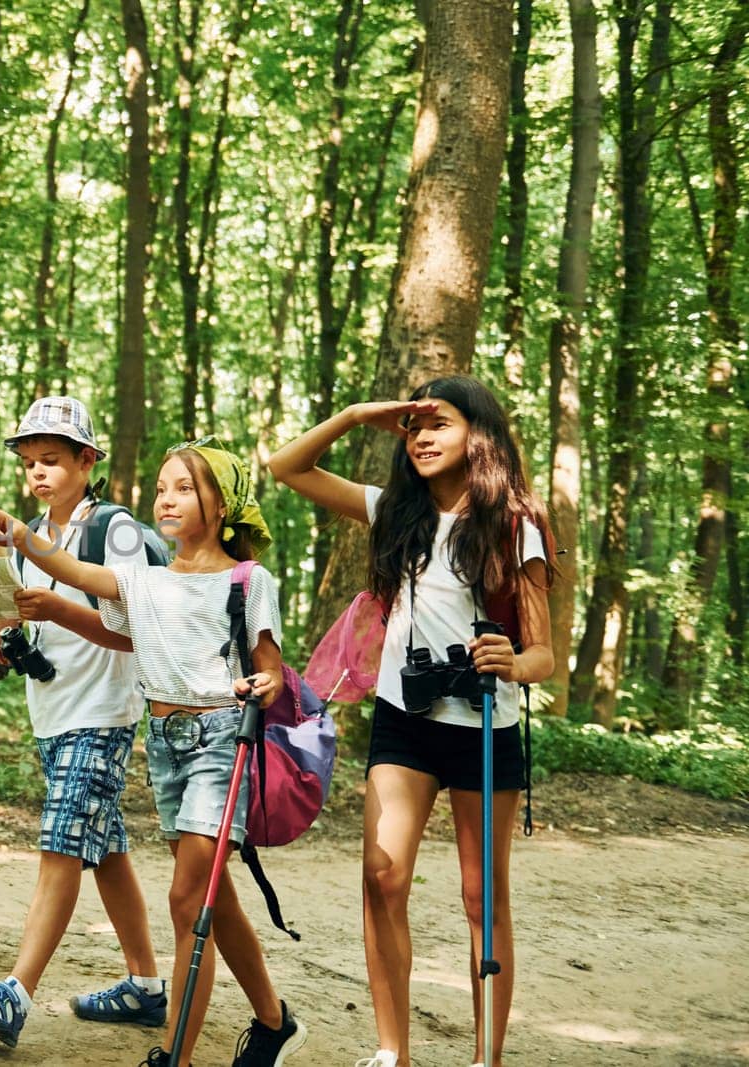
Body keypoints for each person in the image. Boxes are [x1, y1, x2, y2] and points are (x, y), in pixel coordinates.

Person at [0, 441, 308, 1067]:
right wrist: (21, 537)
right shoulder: (146, 581)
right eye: (161, 488)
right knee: (211, 896)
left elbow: (272, 671)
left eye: (184, 487)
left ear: (223, 501)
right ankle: (273, 1019)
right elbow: (77, 577)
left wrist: (265, 684)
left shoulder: (248, 581)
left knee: (188, 897)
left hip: (222, 741)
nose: (167, 498)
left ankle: (172, 1057)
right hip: (166, 751)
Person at [267, 375, 553, 1067]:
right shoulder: (395, 511)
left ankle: (487, 1056)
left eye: (439, 423)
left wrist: (512, 661)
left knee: (482, 895)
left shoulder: (516, 525)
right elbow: (284, 466)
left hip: (486, 722)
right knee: (382, 872)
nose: (422, 437)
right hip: (406, 717)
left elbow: (547, 655)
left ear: (477, 434)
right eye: (413, 426)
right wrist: (360, 413)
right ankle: (392, 1049)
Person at [0, 397, 165, 1050]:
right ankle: (146, 987)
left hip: (103, 713)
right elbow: (17, 637)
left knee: (63, 842)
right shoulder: (30, 536)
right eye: (29, 462)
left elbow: (138, 633)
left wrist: (59, 610)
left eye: (53, 461)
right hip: (53, 714)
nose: (38, 473)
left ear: (87, 461)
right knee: (107, 850)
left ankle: (14, 992)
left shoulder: (115, 529)